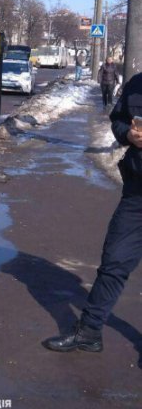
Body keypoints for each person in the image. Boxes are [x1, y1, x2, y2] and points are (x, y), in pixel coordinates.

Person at [43, 70, 142, 353]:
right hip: (137, 195)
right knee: (114, 261)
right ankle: (89, 332)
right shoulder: (136, 85)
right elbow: (118, 121)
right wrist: (129, 135)